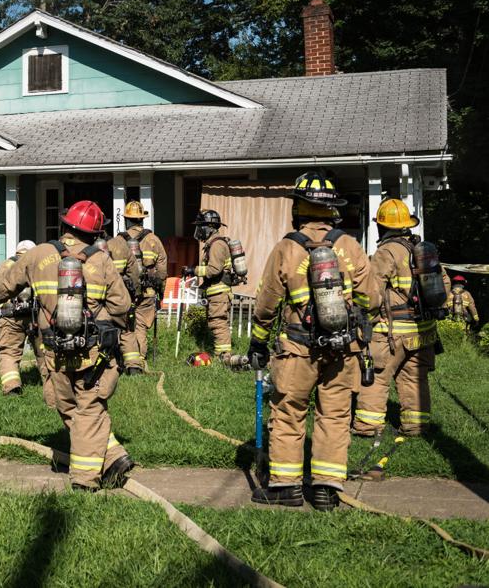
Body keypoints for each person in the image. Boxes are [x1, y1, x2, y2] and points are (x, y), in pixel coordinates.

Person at [247, 171, 380, 511]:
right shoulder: (350, 246)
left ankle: (286, 488)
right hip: (343, 348)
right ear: (331, 209)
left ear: (298, 207)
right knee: (334, 416)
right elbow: (372, 300)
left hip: (297, 348)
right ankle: (326, 489)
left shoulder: (287, 248)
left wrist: (258, 344)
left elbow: (266, 305)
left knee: (289, 413)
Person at [0, 200, 135, 491]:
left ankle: (108, 461)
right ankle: (89, 478)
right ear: (94, 234)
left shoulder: (38, 254)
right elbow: (122, 305)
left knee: (68, 407)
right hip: (93, 353)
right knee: (89, 409)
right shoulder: (101, 260)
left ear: (64, 226)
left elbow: (7, 284)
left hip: (55, 350)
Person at [353, 198, 450, 438]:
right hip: (424, 330)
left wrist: (363, 317)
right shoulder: (423, 251)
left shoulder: (386, 252)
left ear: (382, 226)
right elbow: (444, 284)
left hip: (392, 332)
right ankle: (415, 427)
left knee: (376, 377)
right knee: (414, 380)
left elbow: (372, 292)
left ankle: (367, 427)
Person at [109, 201, 167, 373]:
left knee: (126, 326)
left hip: (124, 293)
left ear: (126, 219)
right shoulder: (154, 240)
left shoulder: (116, 242)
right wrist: (160, 291)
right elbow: (162, 271)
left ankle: (125, 359)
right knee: (140, 324)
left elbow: (110, 270)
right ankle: (139, 360)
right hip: (147, 292)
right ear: (142, 219)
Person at [0, 240, 49, 398]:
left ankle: (12, 388)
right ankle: (52, 389)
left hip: (11, 317)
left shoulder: (5, 266)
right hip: (36, 315)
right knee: (45, 352)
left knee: (9, 352)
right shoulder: (39, 265)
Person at [183, 210, 234, 361]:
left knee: (218, 323)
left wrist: (194, 270)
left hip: (219, 292)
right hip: (216, 292)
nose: (198, 230)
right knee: (216, 323)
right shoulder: (212, 243)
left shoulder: (217, 244)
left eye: (201, 226)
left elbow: (214, 270)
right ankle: (222, 356)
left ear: (209, 227)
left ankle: (224, 357)